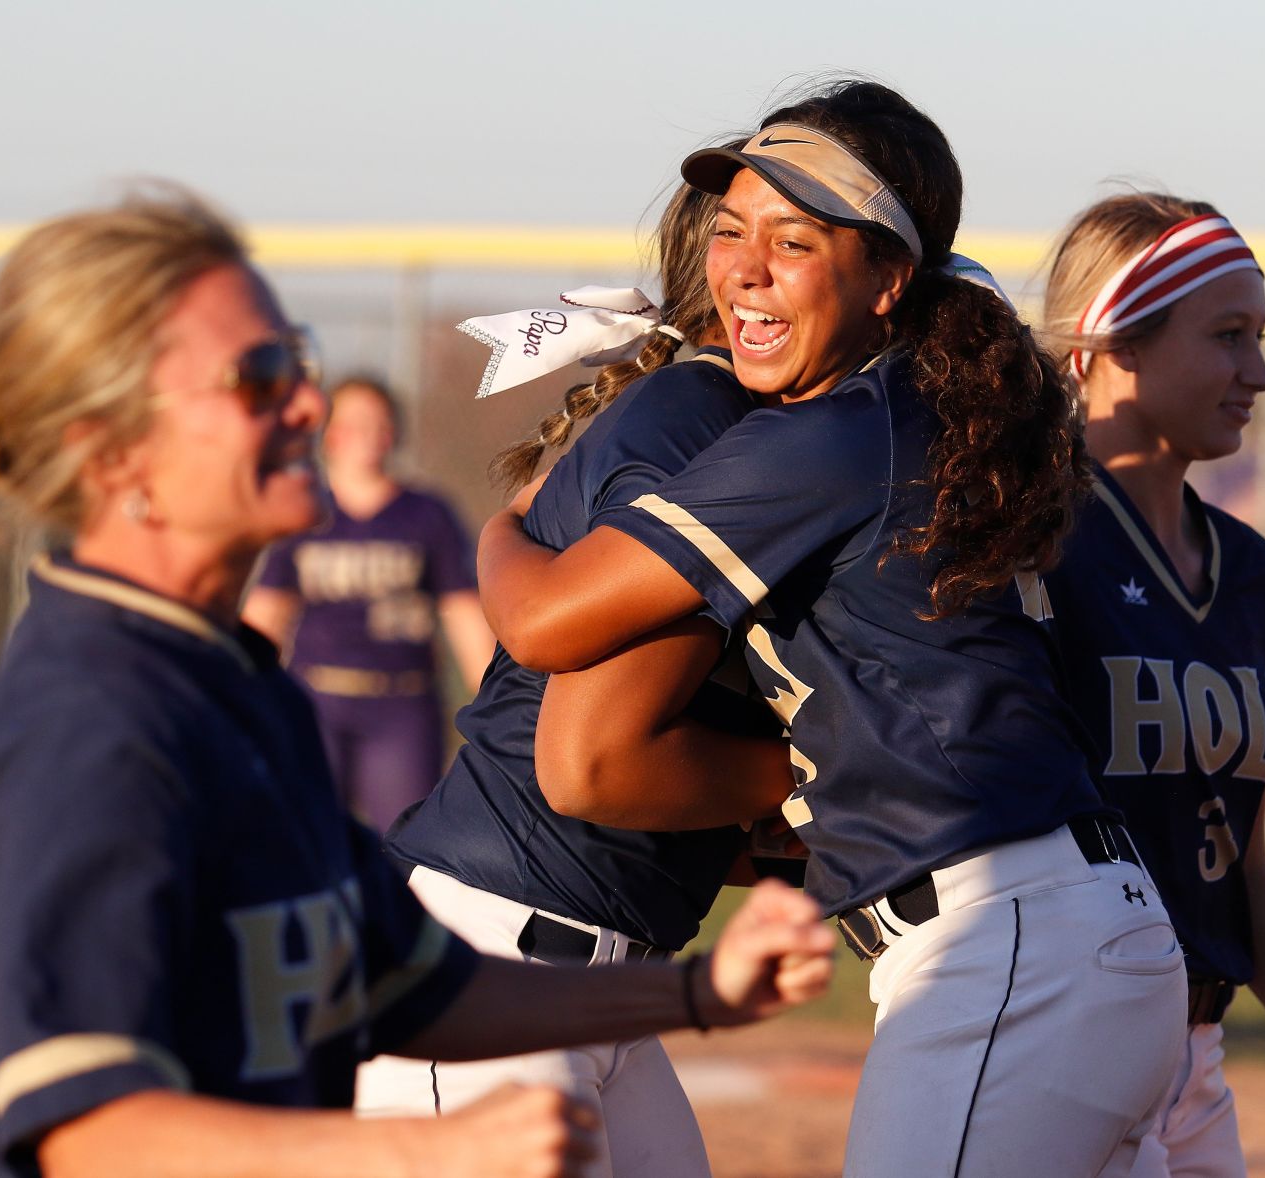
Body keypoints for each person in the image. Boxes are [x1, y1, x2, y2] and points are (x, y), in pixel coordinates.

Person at [0, 189, 837, 1178]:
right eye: (256, 377)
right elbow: (92, 1132)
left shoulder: (237, 689)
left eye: (296, 360)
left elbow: (408, 988)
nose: (308, 403)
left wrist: (697, 994)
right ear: (112, 448)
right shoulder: (91, 722)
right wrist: (432, 1150)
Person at [474, 80, 1188, 1177]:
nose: (746, 268)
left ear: (891, 279)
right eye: (729, 230)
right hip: (1074, 932)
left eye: (794, 239)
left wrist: (506, 523)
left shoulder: (835, 432)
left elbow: (546, 621)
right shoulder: (931, 411)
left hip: (1004, 945)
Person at [367, 163, 793, 1178]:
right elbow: (592, 769)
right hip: (499, 956)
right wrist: (809, 782)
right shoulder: (708, 425)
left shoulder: (754, 437)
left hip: (594, 971)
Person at [1038, 192, 1265, 1178]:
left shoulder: (1254, 571)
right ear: (1114, 340)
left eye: (1261, 336)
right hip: (1059, 1036)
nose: (1259, 372)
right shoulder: (1032, 542)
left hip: (1194, 1050)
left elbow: (1237, 855)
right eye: (1228, 336)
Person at [243, 374, 495, 832]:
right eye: (354, 422)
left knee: (404, 847)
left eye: (379, 422)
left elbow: (463, 613)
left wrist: (496, 704)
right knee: (307, 839)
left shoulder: (426, 513)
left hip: (401, 703)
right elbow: (266, 615)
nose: (368, 434)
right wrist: (240, 696)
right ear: (330, 434)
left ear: (393, 433)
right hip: (317, 701)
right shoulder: (306, 508)